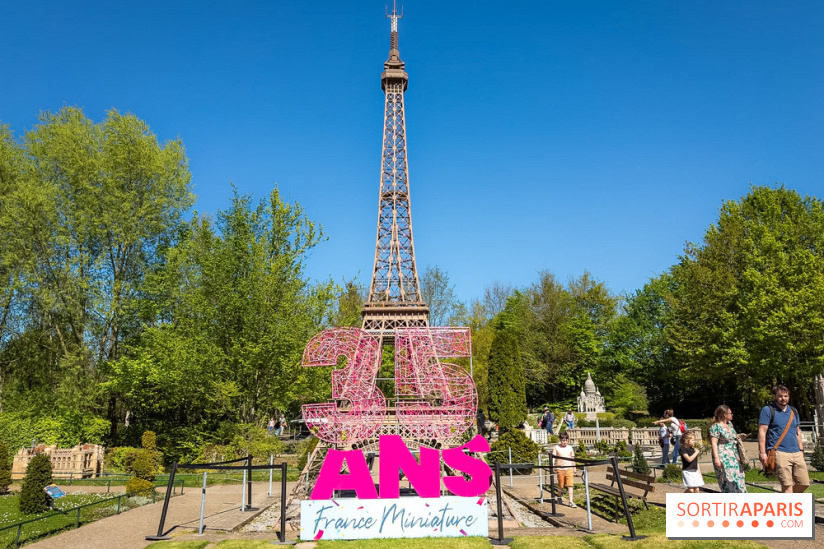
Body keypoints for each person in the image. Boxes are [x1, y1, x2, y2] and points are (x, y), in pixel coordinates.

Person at [758, 384, 809, 494]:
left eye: (786, 396)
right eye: (780, 396)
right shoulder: (768, 410)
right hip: (779, 452)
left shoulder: (793, 411)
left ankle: (785, 502)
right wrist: (762, 452)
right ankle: (789, 508)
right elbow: (762, 432)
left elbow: (797, 432)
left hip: (796, 452)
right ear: (774, 396)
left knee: (804, 483)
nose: (783, 398)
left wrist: (801, 450)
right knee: (787, 485)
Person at [709, 404, 746, 493]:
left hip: (734, 455)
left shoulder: (730, 425)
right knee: (728, 477)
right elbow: (714, 442)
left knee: (738, 476)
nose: (732, 415)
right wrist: (717, 458)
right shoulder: (716, 426)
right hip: (724, 456)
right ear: (725, 415)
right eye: (730, 413)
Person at [551, 432, 577, 507]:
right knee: (561, 484)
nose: (564, 442)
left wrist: (574, 469)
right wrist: (552, 466)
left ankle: (571, 501)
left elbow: (573, 459)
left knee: (570, 484)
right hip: (560, 468)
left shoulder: (570, 448)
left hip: (569, 468)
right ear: (560, 440)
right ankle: (559, 496)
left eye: (566, 440)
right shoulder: (556, 448)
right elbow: (553, 458)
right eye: (563, 440)